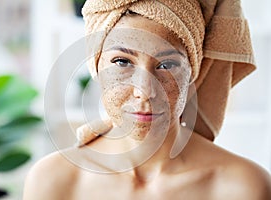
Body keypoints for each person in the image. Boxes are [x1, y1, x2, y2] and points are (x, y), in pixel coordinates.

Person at [23, 0, 271, 199]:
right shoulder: (53, 181)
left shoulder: (242, 187)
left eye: (167, 65)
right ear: (96, 66)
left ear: (193, 74)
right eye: (122, 62)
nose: (144, 91)